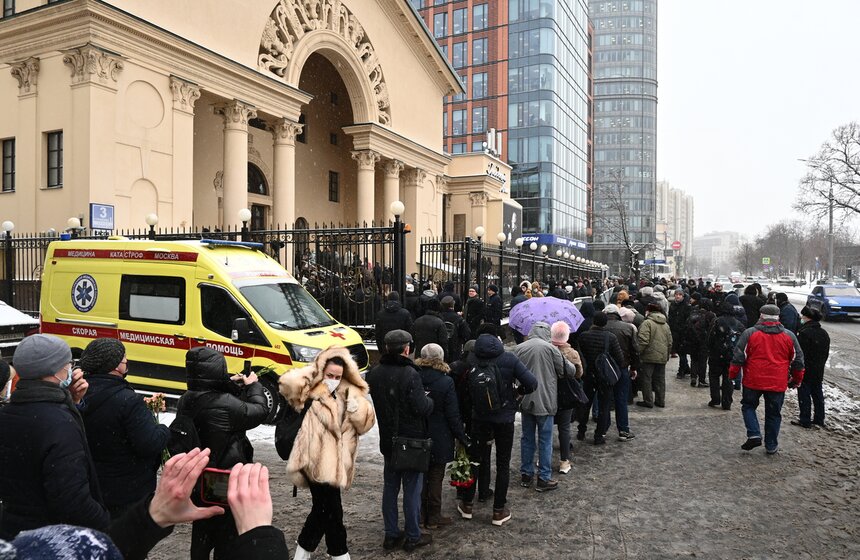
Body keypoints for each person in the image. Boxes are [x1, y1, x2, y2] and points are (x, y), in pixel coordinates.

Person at [0, 334, 109, 538]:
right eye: (68, 363)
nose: (71, 368)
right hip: (51, 538)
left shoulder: (9, 412)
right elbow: (72, 500)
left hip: (14, 530)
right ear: (54, 369)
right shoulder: (58, 424)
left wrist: (71, 401)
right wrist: (104, 524)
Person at [278, 347, 375, 560]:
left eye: (338, 377)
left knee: (325, 512)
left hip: (337, 463)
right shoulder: (309, 390)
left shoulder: (349, 393)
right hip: (313, 462)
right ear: (321, 371)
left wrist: (355, 408)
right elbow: (288, 384)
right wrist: (313, 370)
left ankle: (304, 553)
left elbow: (366, 424)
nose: (333, 380)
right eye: (329, 375)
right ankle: (339, 554)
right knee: (331, 511)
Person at [177, 346, 269, 559]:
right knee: (227, 532)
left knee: (202, 529)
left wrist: (230, 385)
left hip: (199, 475)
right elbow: (259, 410)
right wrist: (254, 386)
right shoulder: (225, 404)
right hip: (223, 477)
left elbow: (214, 399)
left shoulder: (187, 398)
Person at [79, 338, 170, 518]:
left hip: (91, 485)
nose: (126, 362)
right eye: (123, 359)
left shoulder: (79, 393)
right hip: (125, 490)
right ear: (114, 366)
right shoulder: (127, 400)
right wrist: (163, 430)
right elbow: (149, 443)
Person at [366, 330, 434, 552]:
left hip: (389, 439)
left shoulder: (374, 374)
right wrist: (429, 400)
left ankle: (391, 533)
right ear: (407, 349)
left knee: (390, 487)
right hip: (411, 441)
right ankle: (413, 535)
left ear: (386, 348)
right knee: (412, 490)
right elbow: (421, 408)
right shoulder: (409, 374)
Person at [458, 333, 536, 526]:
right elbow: (532, 383)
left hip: (479, 418)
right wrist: (516, 394)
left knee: (475, 460)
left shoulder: (472, 359)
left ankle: (467, 504)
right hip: (504, 418)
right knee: (503, 464)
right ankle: (498, 511)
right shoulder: (508, 359)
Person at [729, 304, 805, 454]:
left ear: (761, 316)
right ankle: (771, 445)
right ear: (778, 318)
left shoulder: (750, 333)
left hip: (753, 380)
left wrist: (732, 375)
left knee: (748, 406)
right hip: (777, 382)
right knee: (774, 413)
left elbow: (738, 357)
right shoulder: (789, 336)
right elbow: (798, 361)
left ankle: (754, 433)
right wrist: (796, 380)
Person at [414, 344, 469, 529]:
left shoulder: (415, 377)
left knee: (420, 476)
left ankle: (420, 515)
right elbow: (452, 414)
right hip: (440, 435)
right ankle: (434, 516)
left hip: (418, 433)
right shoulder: (446, 381)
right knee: (436, 476)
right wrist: (461, 436)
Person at [513, 322, 571, 492]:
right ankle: (544, 478)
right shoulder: (551, 349)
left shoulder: (519, 348)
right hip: (545, 400)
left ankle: (526, 474)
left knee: (527, 438)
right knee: (545, 440)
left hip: (525, 399)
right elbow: (567, 370)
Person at [576, 312, 625, 444]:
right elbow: (620, 359)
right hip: (604, 376)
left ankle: (581, 430)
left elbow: (579, 354)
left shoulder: (584, 336)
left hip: (588, 375)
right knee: (604, 406)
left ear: (593, 322)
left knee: (585, 404)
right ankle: (599, 435)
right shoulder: (610, 338)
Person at [549, 321, 583, 474]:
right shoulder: (572, 353)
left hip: (550, 392)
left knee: (546, 427)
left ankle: (545, 458)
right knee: (564, 428)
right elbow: (579, 373)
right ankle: (564, 461)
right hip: (566, 394)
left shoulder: (547, 351)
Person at [603, 304, 638, 436]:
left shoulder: (601, 327)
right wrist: (634, 367)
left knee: (605, 399)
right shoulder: (628, 328)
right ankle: (623, 429)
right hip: (622, 367)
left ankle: (603, 429)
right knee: (621, 399)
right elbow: (635, 350)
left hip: (605, 368)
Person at [792, 306, 830, 429]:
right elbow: (826, 353)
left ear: (808, 318)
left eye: (803, 316)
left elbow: (800, 353)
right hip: (818, 369)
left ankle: (805, 419)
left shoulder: (804, 333)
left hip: (806, 368)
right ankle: (819, 418)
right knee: (817, 393)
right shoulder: (824, 333)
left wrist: (797, 368)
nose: (801, 318)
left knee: (804, 394)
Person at [706, 300, 746, 410]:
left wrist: (710, 349)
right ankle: (727, 402)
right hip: (731, 355)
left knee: (714, 376)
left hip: (716, 355)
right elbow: (743, 340)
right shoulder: (738, 324)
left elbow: (710, 338)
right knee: (728, 379)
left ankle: (715, 399)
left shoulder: (716, 321)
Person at [636, 303, 673, 409]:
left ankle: (648, 401)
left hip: (648, 356)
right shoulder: (665, 324)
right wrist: (667, 354)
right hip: (662, 356)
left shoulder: (647, 323)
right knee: (660, 379)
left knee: (647, 379)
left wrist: (639, 352)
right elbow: (670, 341)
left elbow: (643, 340)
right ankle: (660, 400)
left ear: (649, 311)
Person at [668, 289, 692, 378]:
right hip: (675, 331)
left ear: (683, 296)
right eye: (676, 294)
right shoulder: (673, 305)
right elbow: (671, 317)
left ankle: (681, 370)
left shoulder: (686, 306)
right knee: (680, 351)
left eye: (680, 295)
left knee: (682, 351)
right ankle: (685, 368)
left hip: (683, 332)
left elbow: (688, 320)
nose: (678, 296)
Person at [440, 295, 470, 362]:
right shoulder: (459, 318)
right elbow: (466, 334)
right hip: (455, 347)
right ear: (453, 305)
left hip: (441, 347)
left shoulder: (439, 317)